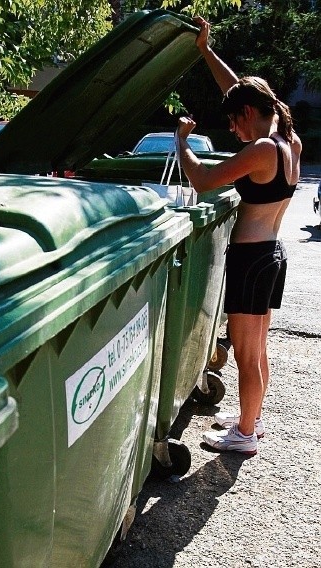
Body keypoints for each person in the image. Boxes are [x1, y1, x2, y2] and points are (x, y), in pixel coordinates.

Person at [176, 16, 302, 455]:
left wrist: (182, 141)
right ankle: (252, 419)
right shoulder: (289, 141)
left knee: (248, 353)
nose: (233, 130)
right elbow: (247, 93)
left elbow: (203, 180)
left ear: (248, 114)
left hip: (251, 260)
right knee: (258, 346)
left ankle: (244, 435)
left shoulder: (262, 150)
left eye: (234, 122)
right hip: (273, 253)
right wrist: (206, 52)